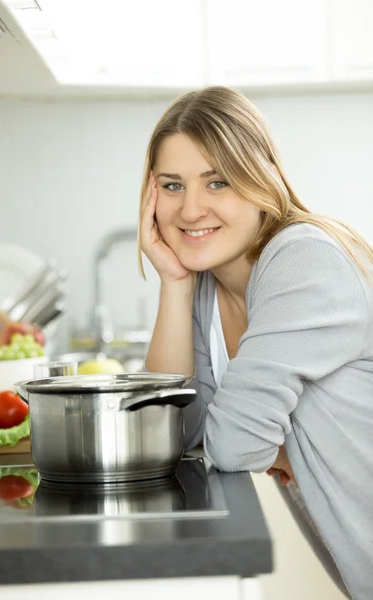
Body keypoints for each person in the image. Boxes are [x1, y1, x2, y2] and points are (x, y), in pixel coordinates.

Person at [138, 86, 373, 600]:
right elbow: (167, 436)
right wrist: (174, 286)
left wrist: (256, 438)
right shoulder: (206, 284)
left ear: (258, 179)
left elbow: (232, 445)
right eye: (172, 186)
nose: (191, 209)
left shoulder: (304, 261)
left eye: (217, 181)